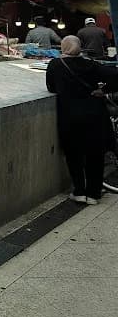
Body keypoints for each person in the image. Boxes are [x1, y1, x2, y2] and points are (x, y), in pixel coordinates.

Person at [46, 35, 118, 205]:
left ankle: (79, 191)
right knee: (95, 154)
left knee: (73, 153)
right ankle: (93, 194)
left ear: (63, 48)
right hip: (94, 115)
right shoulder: (90, 65)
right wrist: (104, 90)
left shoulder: (55, 65)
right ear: (80, 48)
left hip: (70, 116)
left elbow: (51, 86)